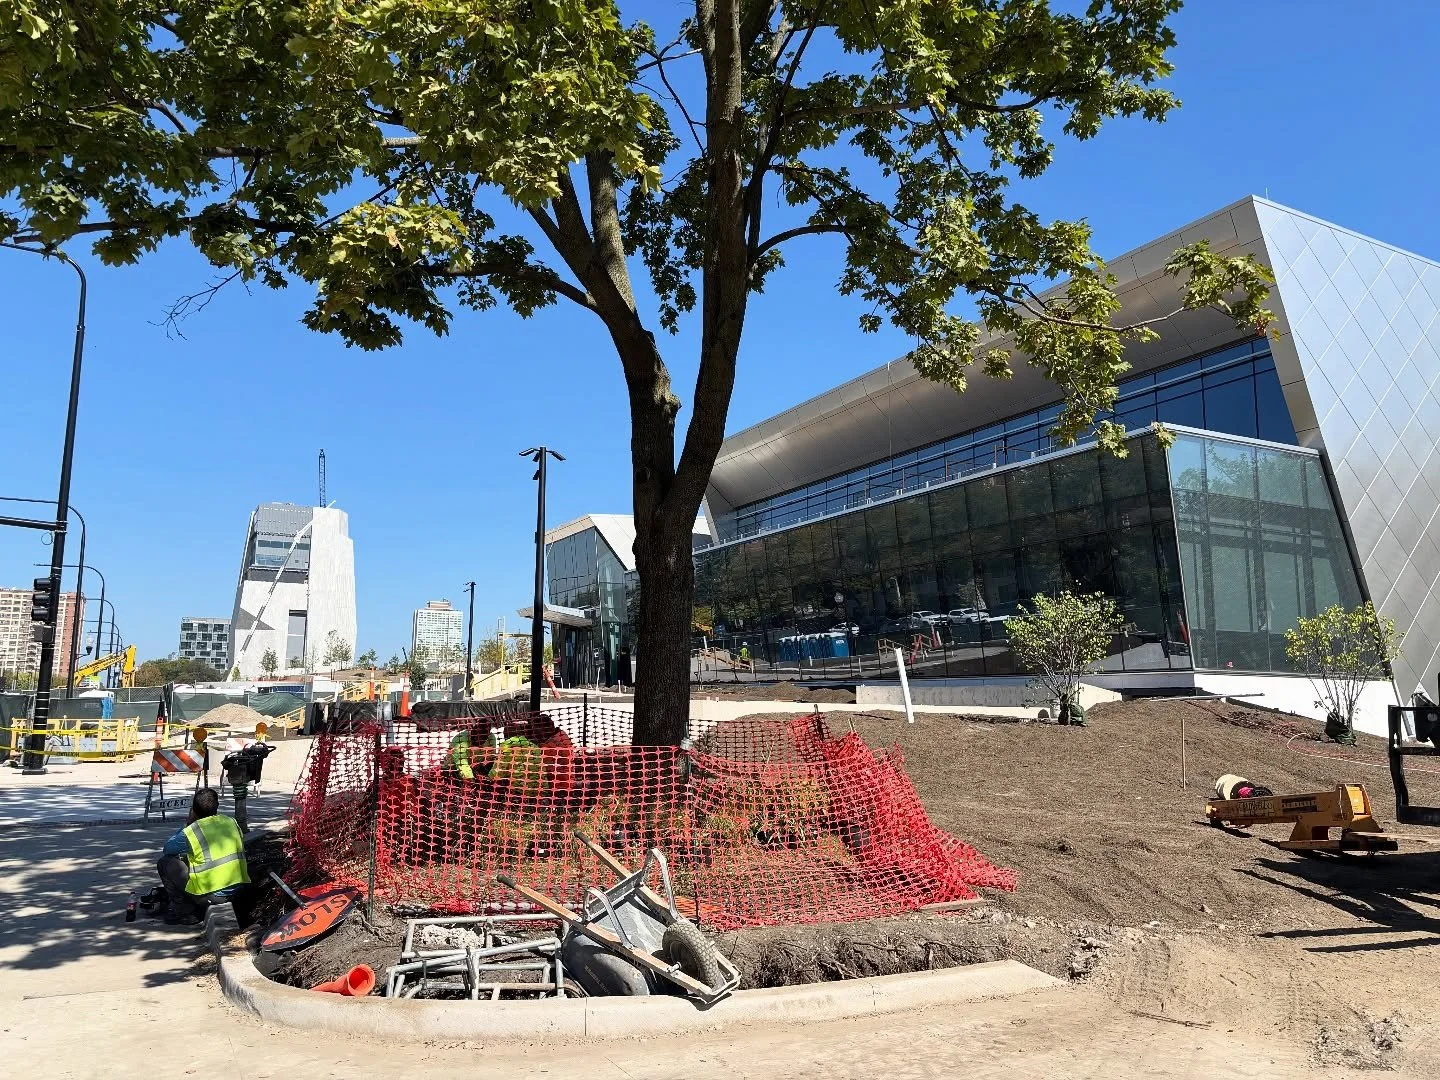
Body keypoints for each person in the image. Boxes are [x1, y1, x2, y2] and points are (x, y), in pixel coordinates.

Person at [156, 787, 250, 925]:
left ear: (194, 809)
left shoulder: (192, 831)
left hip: (213, 895)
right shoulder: (231, 822)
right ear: (217, 806)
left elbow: (168, 849)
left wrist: (188, 824)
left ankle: (186, 912)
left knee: (165, 863)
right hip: (238, 890)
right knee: (192, 859)